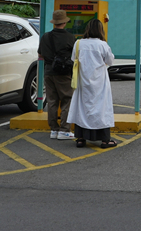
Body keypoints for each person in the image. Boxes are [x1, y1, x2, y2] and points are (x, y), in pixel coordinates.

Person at [66, 17, 117, 149]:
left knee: (81, 107)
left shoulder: (79, 43)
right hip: (100, 82)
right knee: (101, 108)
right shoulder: (102, 45)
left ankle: (81, 138)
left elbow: (73, 59)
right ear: (100, 30)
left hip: (82, 81)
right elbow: (110, 61)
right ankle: (105, 140)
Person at [38, 10, 75, 140]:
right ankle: (64, 130)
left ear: (54, 22)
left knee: (52, 101)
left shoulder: (45, 37)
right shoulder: (70, 37)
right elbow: (75, 55)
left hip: (49, 72)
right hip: (64, 73)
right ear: (64, 22)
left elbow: (40, 54)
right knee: (67, 100)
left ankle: (54, 129)